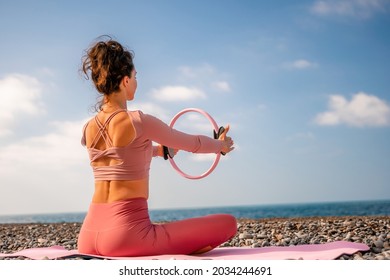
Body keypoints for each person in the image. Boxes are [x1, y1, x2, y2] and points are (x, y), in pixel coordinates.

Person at [77, 36, 237, 257]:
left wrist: (160, 151)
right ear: (125, 81)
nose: (136, 82)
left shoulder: (89, 128)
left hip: (87, 237)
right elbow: (194, 144)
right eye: (135, 77)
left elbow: (120, 157)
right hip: (125, 237)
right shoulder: (138, 121)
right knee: (228, 224)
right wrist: (221, 146)